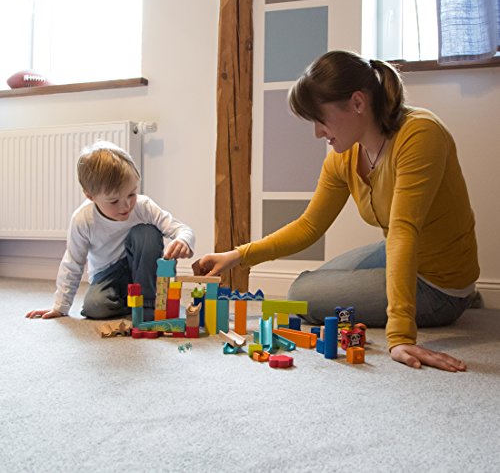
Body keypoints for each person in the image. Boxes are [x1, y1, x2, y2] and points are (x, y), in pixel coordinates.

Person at [198, 50, 481, 372]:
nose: (317, 133)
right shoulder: (344, 156)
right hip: (399, 250)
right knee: (314, 284)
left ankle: (456, 302)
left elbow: (403, 231)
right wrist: (236, 255)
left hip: (441, 282)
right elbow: (309, 226)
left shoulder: (420, 134)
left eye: (320, 119)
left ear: (358, 103)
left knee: (302, 294)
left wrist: (401, 336)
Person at [26, 140, 194, 321]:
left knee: (146, 232)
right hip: (107, 275)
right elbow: (73, 263)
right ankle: (131, 301)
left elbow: (182, 229)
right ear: (90, 196)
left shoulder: (143, 206)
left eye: (131, 194)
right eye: (114, 201)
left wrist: (183, 240)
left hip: (143, 270)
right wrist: (60, 306)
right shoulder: (83, 219)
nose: (126, 205)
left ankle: (148, 303)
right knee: (95, 307)